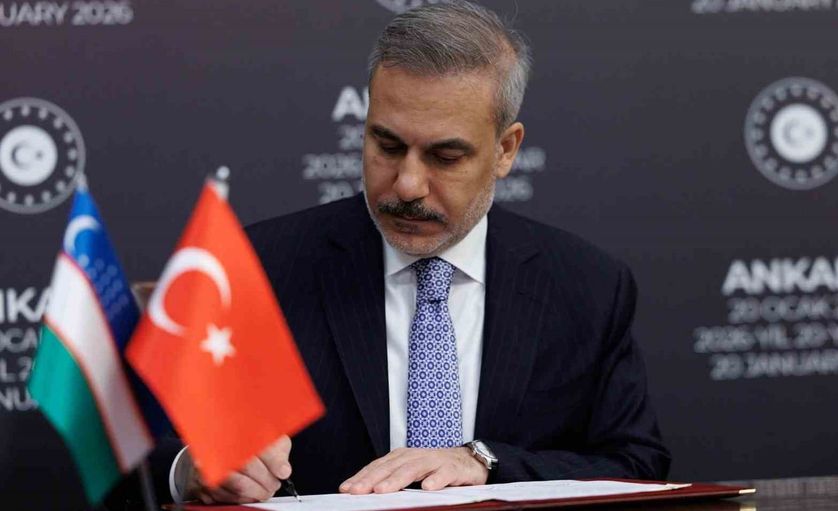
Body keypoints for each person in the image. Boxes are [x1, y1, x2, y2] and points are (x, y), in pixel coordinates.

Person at [136, 1, 670, 505]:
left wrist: (487, 463)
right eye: (387, 146)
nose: (408, 185)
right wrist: (191, 469)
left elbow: (637, 465)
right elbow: (142, 453)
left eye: (445, 156)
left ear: (505, 150)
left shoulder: (587, 286)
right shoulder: (260, 266)